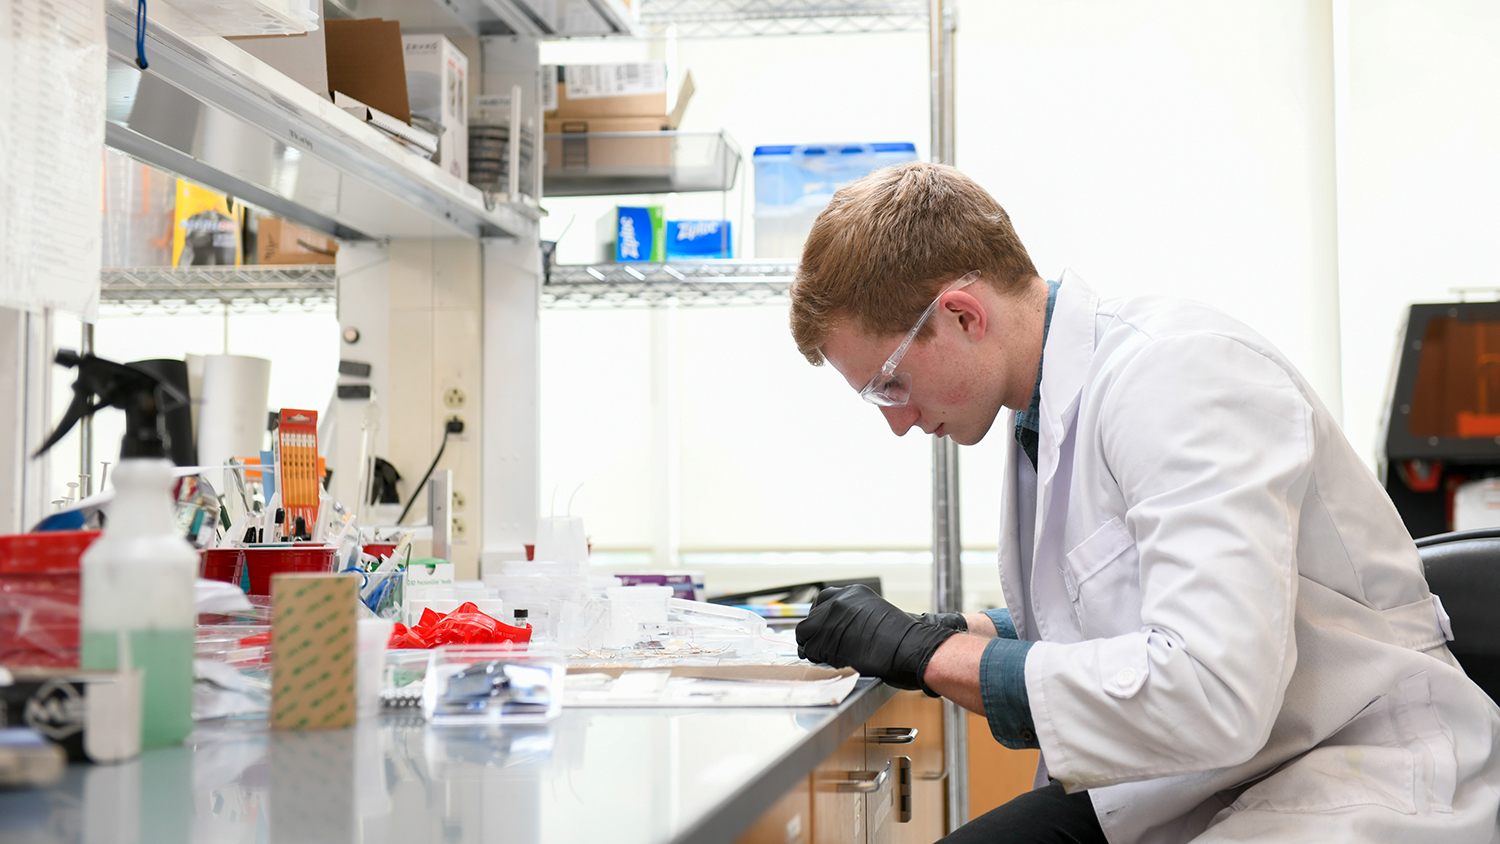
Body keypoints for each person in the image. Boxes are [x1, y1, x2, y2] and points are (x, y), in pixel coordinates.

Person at [790, 161, 1500, 843]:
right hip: (1218, 775)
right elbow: (1108, 602)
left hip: (1350, 776)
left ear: (963, 316)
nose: (895, 420)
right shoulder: (1046, 408)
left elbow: (1212, 690)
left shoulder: (1178, 375)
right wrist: (946, 627)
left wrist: (930, 653)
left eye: (889, 384)